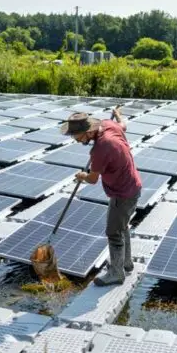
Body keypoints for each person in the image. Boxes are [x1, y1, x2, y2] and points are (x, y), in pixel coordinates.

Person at [60, 108, 142, 286]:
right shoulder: (108, 124)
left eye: (76, 136)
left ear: (88, 132)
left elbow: (92, 179)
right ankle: (125, 263)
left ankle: (116, 273)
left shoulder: (101, 149)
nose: (75, 139)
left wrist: (82, 175)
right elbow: (123, 125)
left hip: (123, 193)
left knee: (113, 232)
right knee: (122, 226)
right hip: (132, 186)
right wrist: (117, 113)